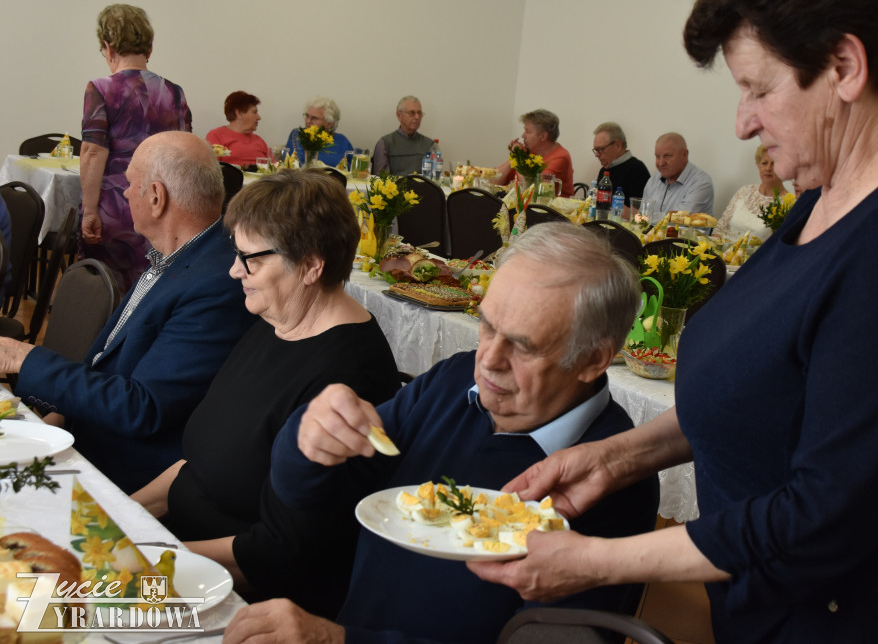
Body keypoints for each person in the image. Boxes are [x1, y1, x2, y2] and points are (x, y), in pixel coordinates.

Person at [470, 0, 878, 642]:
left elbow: (821, 517)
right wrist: (615, 458)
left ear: (845, 66)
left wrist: (596, 561)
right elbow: (768, 392)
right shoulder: (834, 189)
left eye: (758, 88)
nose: (741, 122)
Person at [222, 223, 659, 644]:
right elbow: (311, 497)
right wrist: (309, 441)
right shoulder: (454, 382)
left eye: (523, 346)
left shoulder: (610, 478)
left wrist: (339, 640)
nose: (488, 360)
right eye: (487, 326)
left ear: (593, 359)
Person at [131, 169, 400, 617]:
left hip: (246, 599)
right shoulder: (276, 321)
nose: (234, 270)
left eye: (249, 259)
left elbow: (278, 556)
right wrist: (122, 516)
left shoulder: (350, 378)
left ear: (311, 266)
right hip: (179, 550)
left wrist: (145, 559)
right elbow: (196, 467)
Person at [0, 132, 256, 493]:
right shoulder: (178, 254)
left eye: (130, 183)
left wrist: (23, 359)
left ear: (156, 197)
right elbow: (108, 362)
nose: (124, 193)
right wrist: (59, 418)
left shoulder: (216, 283)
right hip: (88, 436)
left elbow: (143, 407)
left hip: (122, 472)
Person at [80, 3, 192, 293]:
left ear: (108, 47)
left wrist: (89, 210)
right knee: (154, 290)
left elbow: (93, 152)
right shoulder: (174, 93)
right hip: (162, 209)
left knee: (106, 292)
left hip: (116, 209)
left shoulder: (101, 89)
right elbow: (185, 155)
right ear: (149, 48)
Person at [713, 144, 789, 242]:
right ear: (758, 165)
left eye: (774, 164)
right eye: (764, 163)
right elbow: (719, 229)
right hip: (724, 249)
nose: (768, 168)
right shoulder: (745, 191)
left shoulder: (789, 204)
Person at [495, 109, 574, 195]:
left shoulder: (561, 157)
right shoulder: (529, 151)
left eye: (528, 131)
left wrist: (518, 158)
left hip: (547, 203)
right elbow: (493, 182)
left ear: (543, 136)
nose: (523, 135)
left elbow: (533, 190)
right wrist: (514, 157)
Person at [640, 132, 714, 217]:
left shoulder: (701, 183)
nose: (661, 163)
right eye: (657, 156)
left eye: (667, 156)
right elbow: (642, 215)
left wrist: (642, 217)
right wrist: (641, 217)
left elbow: (680, 219)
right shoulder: (654, 179)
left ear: (684, 155)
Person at [283, 96, 354, 167]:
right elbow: (286, 165)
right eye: (307, 116)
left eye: (314, 118)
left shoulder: (342, 142)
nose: (308, 121)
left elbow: (351, 169)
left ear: (329, 123)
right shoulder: (297, 135)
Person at [371, 95, 433, 175]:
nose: (417, 117)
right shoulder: (385, 143)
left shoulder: (429, 145)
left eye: (419, 113)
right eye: (411, 113)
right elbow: (380, 179)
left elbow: (434, 178)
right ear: (399, 115)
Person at [205, 91, 270, 168]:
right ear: (239, 114)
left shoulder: (259, 141)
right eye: (254, 112)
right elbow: (211, 168)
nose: (259, 117)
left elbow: (274, 167)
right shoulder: (216, 135)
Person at [592, 121, 650, 202]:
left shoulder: (637, 170)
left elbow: (639, 209)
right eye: (596, 150)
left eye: (601, 149)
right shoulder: (604, 170)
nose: (596, 155)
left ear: (617, 145)